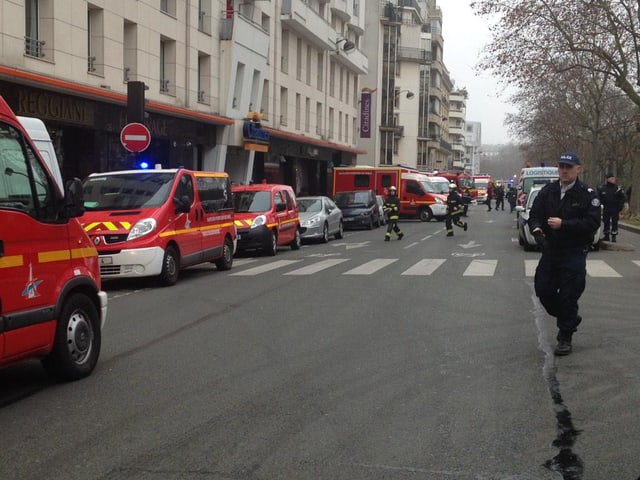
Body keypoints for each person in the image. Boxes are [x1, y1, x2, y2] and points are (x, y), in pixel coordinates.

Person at [528, 152, 601, 356]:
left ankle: (565, 336)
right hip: (551, 249)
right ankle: (569, 318)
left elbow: (592, 223)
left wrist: (564, 224)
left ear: (578, 169)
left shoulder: (587, 194)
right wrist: (537, 229)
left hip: (574, 250)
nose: (564, 171)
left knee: (569, 295)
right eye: (561, 167)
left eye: (569, 167)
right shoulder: (548, 191)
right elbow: (535, 215)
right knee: (543, 289)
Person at [597, 172, 626, 242]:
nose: (614, 179)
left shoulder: (618, 188)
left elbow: (623, 198)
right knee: (606, 221)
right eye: (612, 178)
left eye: (614, 178)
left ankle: (614, 236)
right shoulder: (603, 188)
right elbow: (598, 197)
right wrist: (600, 205)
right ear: (608, 179)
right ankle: (606, 235)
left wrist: (620, 206)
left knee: (614, 222)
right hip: (606, 207)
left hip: (615, 207)